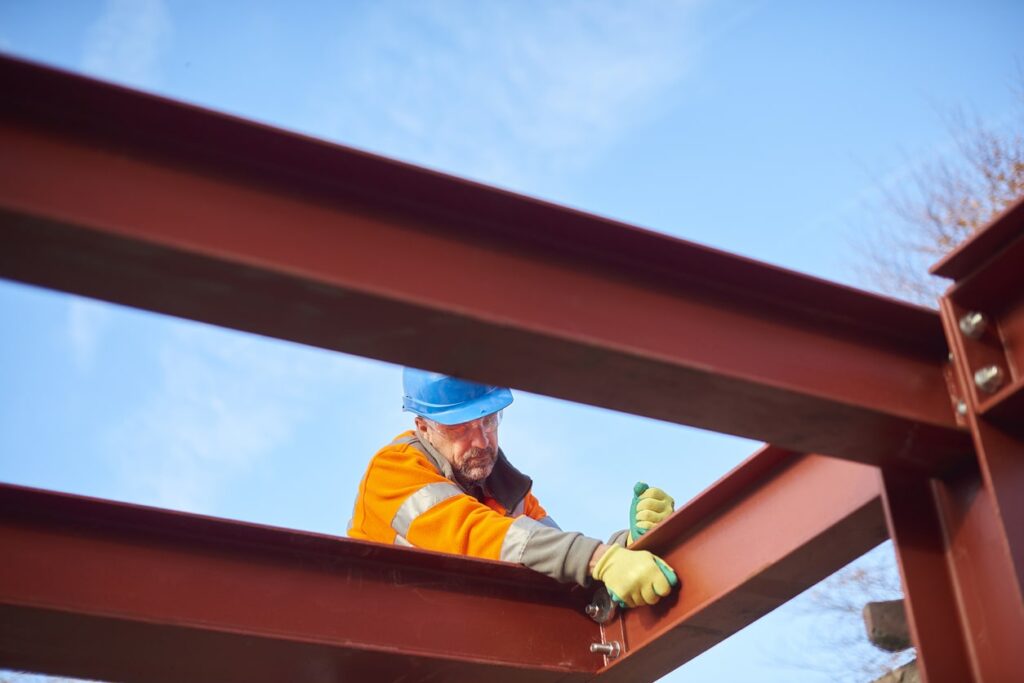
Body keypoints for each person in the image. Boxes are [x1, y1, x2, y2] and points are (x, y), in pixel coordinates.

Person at [348, 369, 678, 608]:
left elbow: (560, 560)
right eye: (460, 428)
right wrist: (602, 559)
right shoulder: (393, 472)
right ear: (424, 427)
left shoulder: (504, 489)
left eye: (488, 421)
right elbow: (476, 535)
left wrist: (632, 544)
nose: (481, 441)